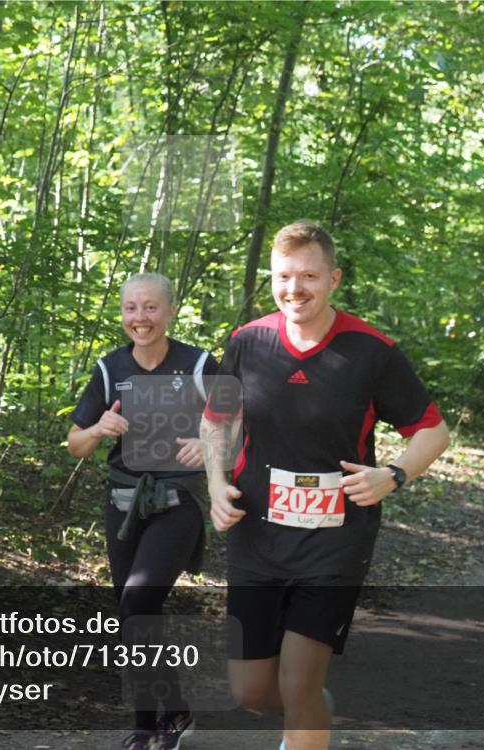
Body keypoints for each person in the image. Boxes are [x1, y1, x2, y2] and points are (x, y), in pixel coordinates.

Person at [200, 220, 450, 750]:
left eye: (309, 276)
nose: (295, 289)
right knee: (250, 691)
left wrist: (394, 474)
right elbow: (216, 419)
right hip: (257, 533)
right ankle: (314, 714)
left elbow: (433, 429)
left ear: (333, 278)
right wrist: (217, 484)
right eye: (285, 276)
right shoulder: (248, 342)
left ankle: (307, 715)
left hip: (335, 538)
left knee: (298, 680)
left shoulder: (371, 350)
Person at [68, 272, 217, 750]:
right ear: (122, 314)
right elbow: (76, 444)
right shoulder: (110, 368)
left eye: (150, 308)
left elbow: (236, 428)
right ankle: (166, 715)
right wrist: (98, 429)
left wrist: (207, 443)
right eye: (132, 308)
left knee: (137, 601)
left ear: (170, 312)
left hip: (178, 500)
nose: (141, 318)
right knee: (134, 615)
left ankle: (146, 728)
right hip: (124, 502)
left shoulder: (197, 365)